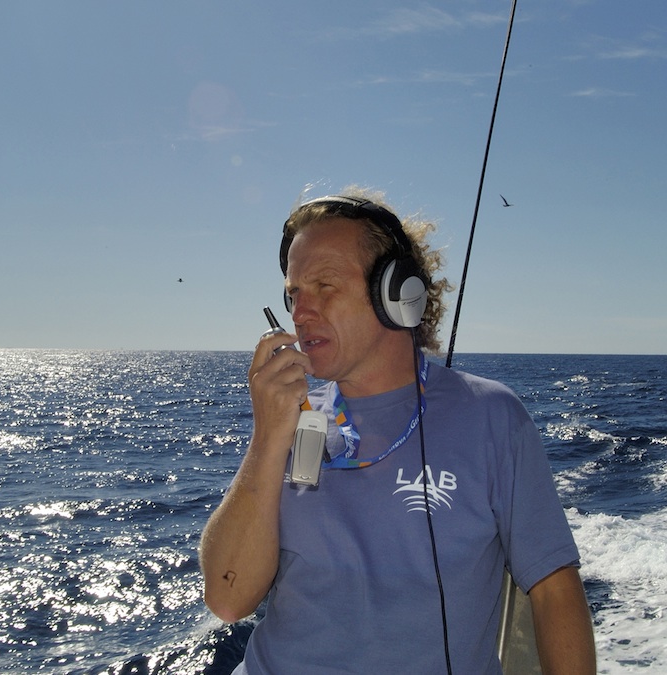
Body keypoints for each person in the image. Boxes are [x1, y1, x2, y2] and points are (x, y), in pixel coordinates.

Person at [199, 189, 596, 674]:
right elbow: (228, 598)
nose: (301, 312)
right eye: (294, 293)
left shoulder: (492, 417)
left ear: (397, 295)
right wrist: (266, 438)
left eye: (324, 286)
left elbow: (554, 589)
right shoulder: (289, 420)